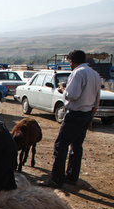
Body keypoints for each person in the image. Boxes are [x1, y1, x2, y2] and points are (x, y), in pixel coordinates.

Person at [39, 50, 102, 188]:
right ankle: (72, 176)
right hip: (86, 114)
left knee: (60, 145)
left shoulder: (78, 73)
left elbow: (72, 94)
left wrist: (63, 90)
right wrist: (91, 115)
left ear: (72, 61)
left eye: (69, 62)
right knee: (77, 146)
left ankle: (56, 179)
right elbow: (97, 98)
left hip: (75, 114)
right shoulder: (94, 74)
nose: (70, 65)